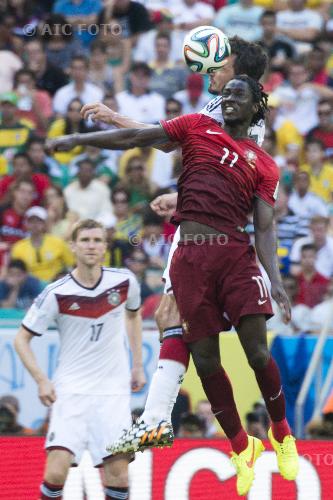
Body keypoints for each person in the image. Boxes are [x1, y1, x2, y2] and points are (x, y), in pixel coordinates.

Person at [47, 75, 299, 496]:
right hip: (190, 262)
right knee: (198, 364)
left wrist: (276, 279)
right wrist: (82, 137)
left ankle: (280, 433)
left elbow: (265, 224)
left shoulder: (262, 163)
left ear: (257, 107)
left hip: (234, 255)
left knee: (256, 352)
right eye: (226, 92)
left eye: (240, 94)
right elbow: (138, 137)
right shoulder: (197, 127)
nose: (229, 99)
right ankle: (236, 445)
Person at [79, 37, 268, 452]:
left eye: (221, 61)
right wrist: (184, 198)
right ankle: (157, 418)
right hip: (215, 224)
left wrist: (112, 116)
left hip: (206, 234)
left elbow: (164, 140)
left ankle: (156, 419)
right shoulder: (246, 110)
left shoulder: (225, 105)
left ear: (240, 69)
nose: (211, 68)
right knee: (173, 312)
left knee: (177, 314)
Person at [14, 218, 146, 500]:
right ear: (72, 246)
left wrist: (137, 365)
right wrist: (41, 381)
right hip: (70, 391)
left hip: (112, 392)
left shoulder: (125, 282)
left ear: (105, 246)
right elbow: (20, 339)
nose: (91, 246)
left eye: (97, 240)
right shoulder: (56, 293)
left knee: (119, 475)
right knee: (56, 472)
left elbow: (133, 316)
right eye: (85, 240)